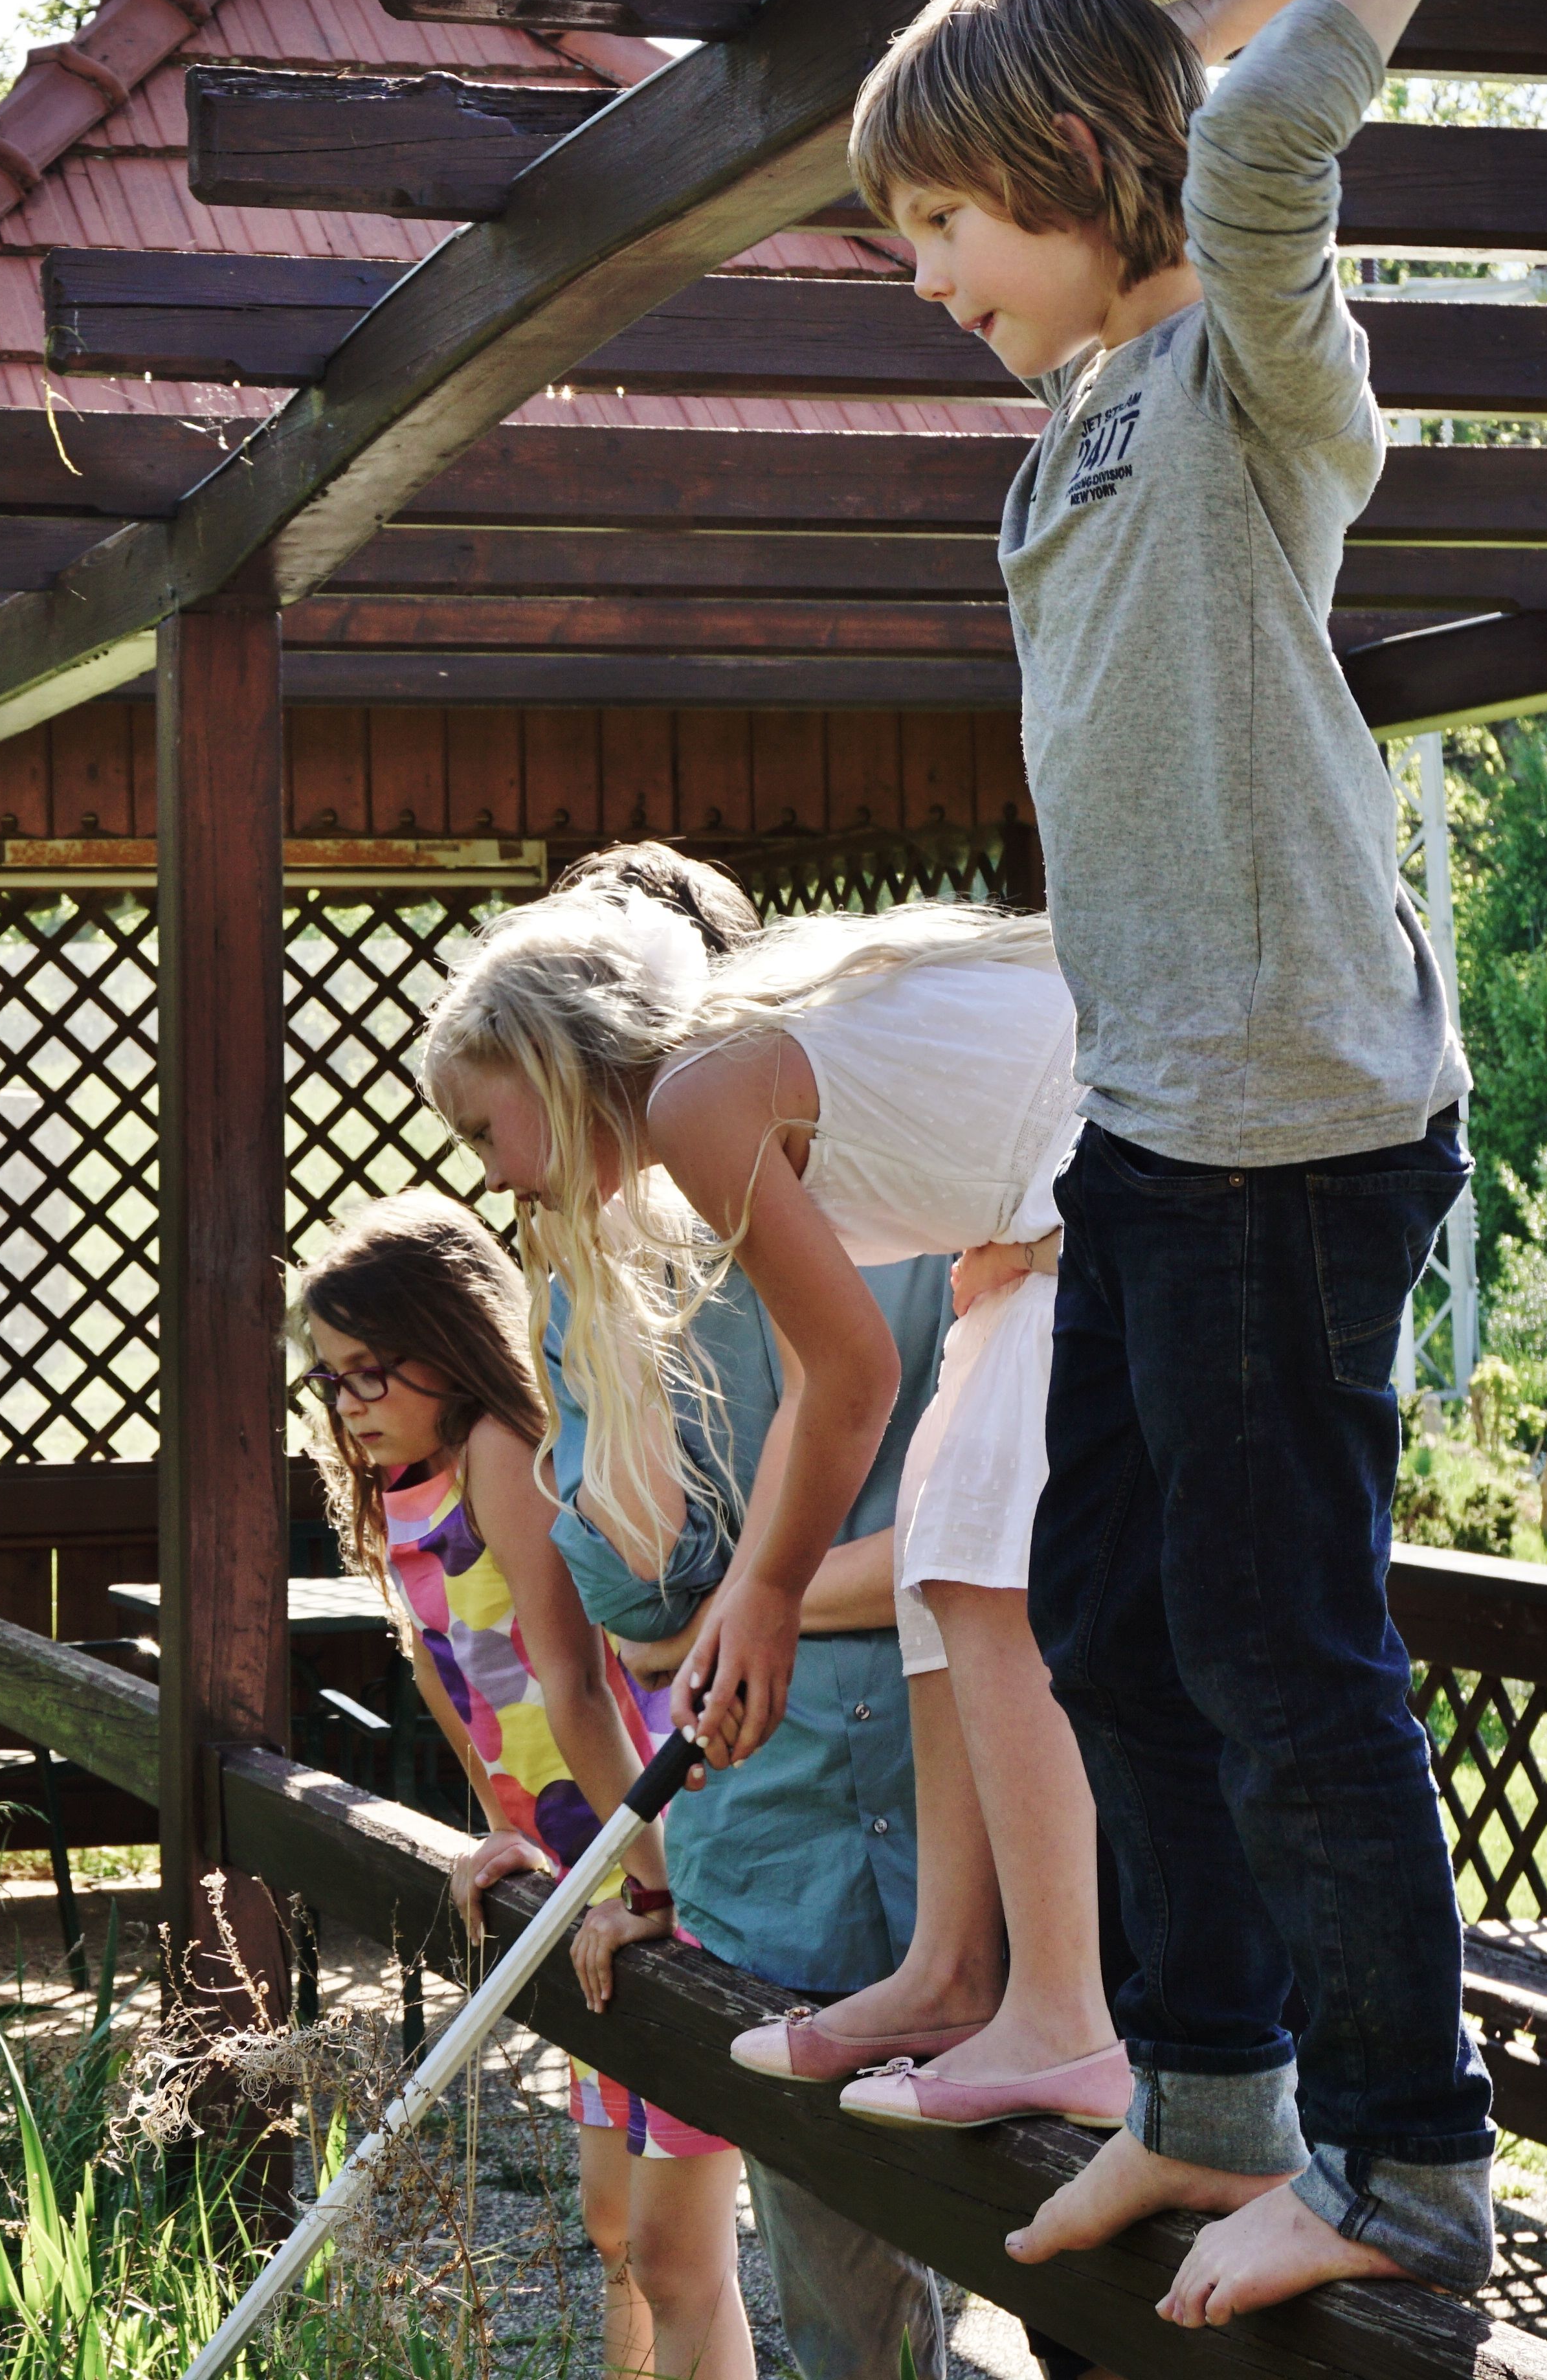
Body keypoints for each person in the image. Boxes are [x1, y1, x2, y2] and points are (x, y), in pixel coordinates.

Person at [840, 0, 1547, 2320]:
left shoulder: (1261, 377)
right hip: (1148, 1124)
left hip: (1297, 1108)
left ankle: (1401, 2157)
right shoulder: (1064, 427)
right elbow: (1185, 120)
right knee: (1102, 1612)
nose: (922, 271)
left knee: (1277, 1645)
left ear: (1065, 179)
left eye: (942, 215)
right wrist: (1194, 21)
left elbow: (1256, 161)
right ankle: (1204, 2095)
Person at [423, 888, 1117, 2149]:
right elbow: (818, 1377)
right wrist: (759, 1587)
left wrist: (773, 1591)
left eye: (484, 1129)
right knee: (945, 1542)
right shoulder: (735, 1072)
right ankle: (955, 1964)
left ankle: (1061, 2010)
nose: (497, 1176)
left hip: (1146, 1195)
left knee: (967, 1561)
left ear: (548, 1064)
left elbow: (861, 1373)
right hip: (1066, 1212)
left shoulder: (695, 1097)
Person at [526, 844, 969, 2380]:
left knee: (852, 2307)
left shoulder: (617, 1267)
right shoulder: (915, 1169)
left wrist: (750, 1597)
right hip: (929, 1797)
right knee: (1052, 2280)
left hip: (806, 1817)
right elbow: (970, 1534)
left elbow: (648, 1606)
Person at [297, 1193, 750, 2380]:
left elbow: (580, 1686)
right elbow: (462, 1690)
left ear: (445, 1344)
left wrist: (647, 1883)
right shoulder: (406, 1487)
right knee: (613, 2223)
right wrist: (510, 1834)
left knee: (672, 2248)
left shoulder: (504, 1450)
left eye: (368, 1372)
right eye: (329, 1380)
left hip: (656, 1853)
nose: (347, 1406)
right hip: (581, 1866)